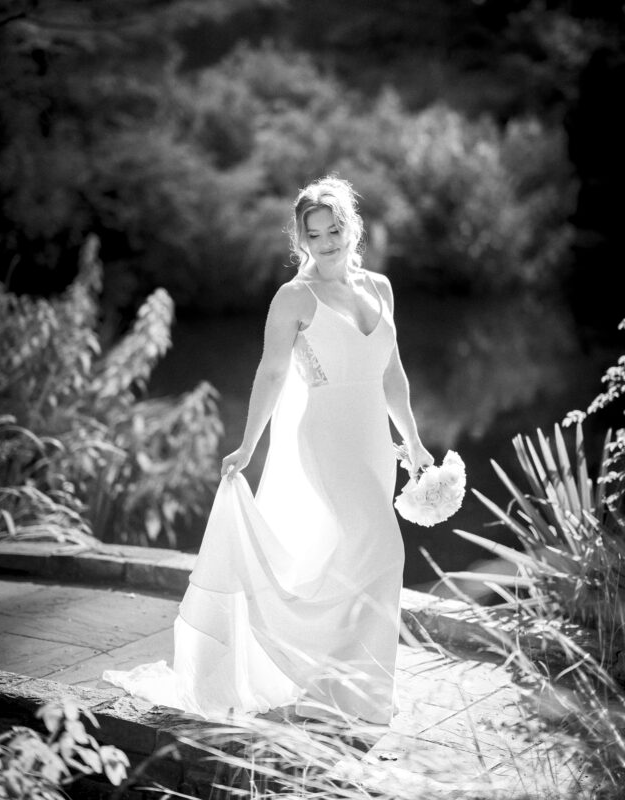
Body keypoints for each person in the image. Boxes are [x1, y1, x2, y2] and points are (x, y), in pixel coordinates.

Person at [103, 175, 433, 726]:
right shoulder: (295, 297)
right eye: (315, 233)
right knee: (383, 549)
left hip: (373, 439)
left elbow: (392, 374)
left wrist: (414, 441)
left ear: (353, 227)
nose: (328, 241)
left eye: (336, 229)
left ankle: (350, 690)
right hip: (325, 438)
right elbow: (273, 372)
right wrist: (248, 444)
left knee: (347, 561)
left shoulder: (380, 287)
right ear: (301, 240)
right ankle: (336, 685)